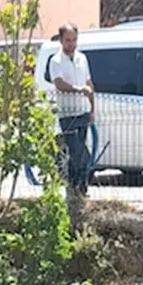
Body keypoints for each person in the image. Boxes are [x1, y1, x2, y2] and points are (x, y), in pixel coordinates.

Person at [48, 23, 94, 195]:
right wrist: (78, 89)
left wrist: (92, 109)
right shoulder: (56, 61)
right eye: (68, 40)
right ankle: (74, 189)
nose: (71, 44)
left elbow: (89, 83)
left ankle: (81, 188)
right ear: (61, 40)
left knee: (83, 153)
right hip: (68, 114)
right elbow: (59, 83)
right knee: (76, 153)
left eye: (74, 40)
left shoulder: (82, 58)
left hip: (82, 111)